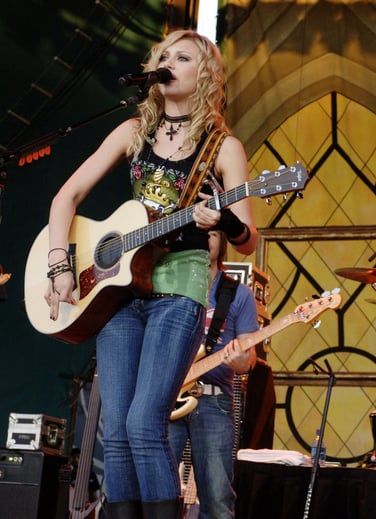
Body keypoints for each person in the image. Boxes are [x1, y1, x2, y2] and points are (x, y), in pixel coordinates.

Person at [45, 30, 259, 518]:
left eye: (181, 57)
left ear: (203, 74)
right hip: (121, 291)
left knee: (144, 422)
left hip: (178, 287)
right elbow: (65, 199)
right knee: (115, 429)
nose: (168, 63)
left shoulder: (223, 147)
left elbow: (249, 236)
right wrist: (61, 267)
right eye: (163, 56)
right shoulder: (132, 130)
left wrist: (222, 219)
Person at [170, 229, 259, 518]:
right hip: (166, 397)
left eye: (212, 233)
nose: (205, 239)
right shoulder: (169, 285)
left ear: (222, 242)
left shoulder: (238, 294)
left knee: (218, 499)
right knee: (155, 491)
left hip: (213, 400)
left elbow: (249, 362)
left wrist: (238, 360)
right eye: (198, 232)